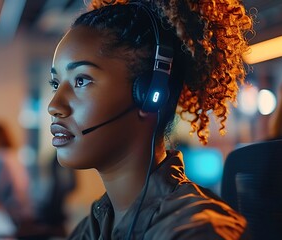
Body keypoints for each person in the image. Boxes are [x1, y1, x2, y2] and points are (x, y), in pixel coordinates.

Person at [47, 0, 253, 239]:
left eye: (81, 80)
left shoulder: (198, 231)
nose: (54, 106)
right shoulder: (91, 229)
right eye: (55, 84)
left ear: (149, 95)